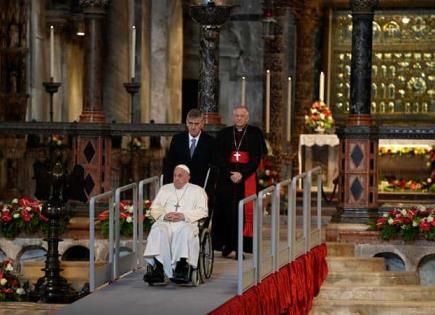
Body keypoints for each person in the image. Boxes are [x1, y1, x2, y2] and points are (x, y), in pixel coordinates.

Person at [212, 105, 266, 258]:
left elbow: (256, 159)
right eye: (236, 115)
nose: (239, 118)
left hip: (246, 179)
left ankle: (241, 247)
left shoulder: (255, 134)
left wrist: (241, 173)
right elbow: (218, 157)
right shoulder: (224, 133)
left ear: (247, 118)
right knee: (226, 212)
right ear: (233, 117)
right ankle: (227, 244)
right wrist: (230, 173)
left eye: (242, 116)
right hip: (227, 179)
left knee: (242, 212)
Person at [143, 164, 208, 284]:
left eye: (180, 176)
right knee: (158, 229)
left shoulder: (198, 190)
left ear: (188, 177)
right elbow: (154, 209)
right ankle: (159, 269)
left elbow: (203, 211)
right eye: (175, 175)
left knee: (185, 232)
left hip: (186, 223)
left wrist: (184, 215)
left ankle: (181, 267)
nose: (176, 178)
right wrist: (164, 215)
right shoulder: (165, 189)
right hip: (166, 222)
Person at [163, 109, 215, 187]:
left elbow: (213, 170)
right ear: (186, 123)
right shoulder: (177, 139)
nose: (193, 127)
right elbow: (169, 165)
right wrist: (167, 187)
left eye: (196, 124)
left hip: (200, 188)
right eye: (190, 123)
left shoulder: (210, 142)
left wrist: (208, 192)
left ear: (202, 124)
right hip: (179, 186)